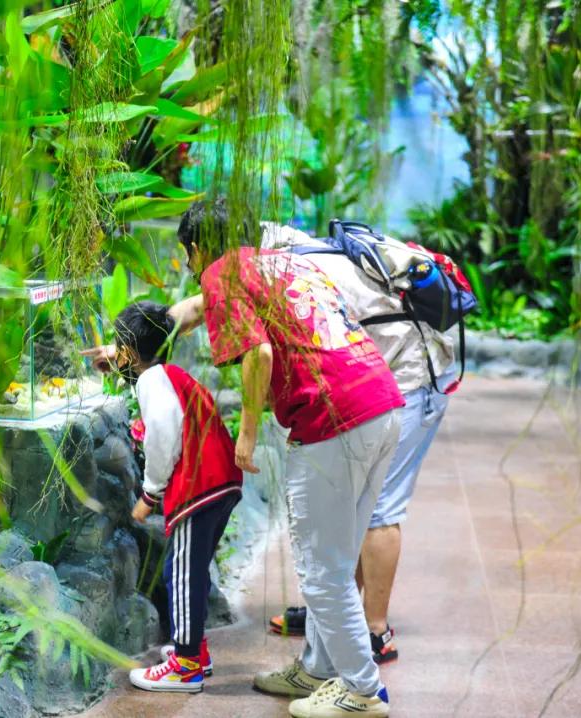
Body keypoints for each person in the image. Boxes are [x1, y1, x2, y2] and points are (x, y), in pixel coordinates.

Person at [183, 199, 403, 718]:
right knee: (338, 556)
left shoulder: (221, 273)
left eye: (188, 258)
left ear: (196, 249)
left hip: (335, 419)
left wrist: (248, 433)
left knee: (322, 570)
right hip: (379, 401)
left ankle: (362, 691)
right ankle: (319, 668)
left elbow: (258, 354)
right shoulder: (286, 260)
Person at [259, 223, 456, 667]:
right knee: (356, 505)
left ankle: (375, 631)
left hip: (411, 379)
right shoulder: (294, 252)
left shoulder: (284, 269)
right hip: (385, 379)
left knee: (381, 509)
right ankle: (336, 616)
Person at [116, 301, 243, 694]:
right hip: (220, 482)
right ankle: (195, 651)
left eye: (117, 344)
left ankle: (185, 666)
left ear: (129, 351)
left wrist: (149, 494)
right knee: (192, 570)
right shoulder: (169, 373)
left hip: (199, 485)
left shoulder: (153, 382)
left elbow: (163, 434)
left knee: (180, 573)